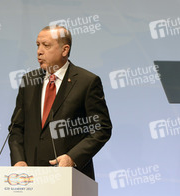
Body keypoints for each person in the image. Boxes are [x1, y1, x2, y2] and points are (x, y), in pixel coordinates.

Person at [8, 25, 112, 180]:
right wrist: (18, 160)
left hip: (70, 177)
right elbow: (16, 128)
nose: (39, 51)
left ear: (65, 50)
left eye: (46, 45)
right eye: (38, 45)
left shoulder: (87, 82)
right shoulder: (29, 81)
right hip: (29, 178)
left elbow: (101, 129)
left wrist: (72, 158)